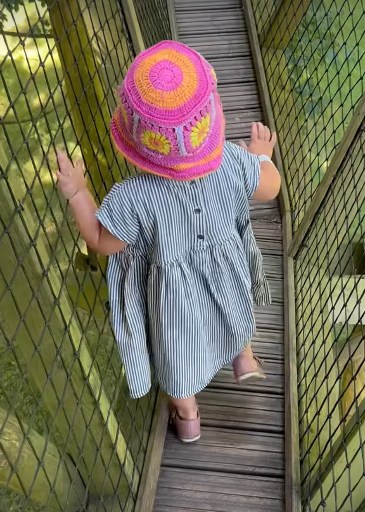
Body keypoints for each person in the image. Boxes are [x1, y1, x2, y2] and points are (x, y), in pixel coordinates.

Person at [56, 40, 281, 443]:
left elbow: (100, 240)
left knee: (178, 357)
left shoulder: (133, 197)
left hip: (176, 301)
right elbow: (271, 188)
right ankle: (243, 356)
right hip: (227, 273)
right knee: (234, 308)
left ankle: (189, 417)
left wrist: (77, 193)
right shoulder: (232, 160)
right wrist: (260, 156)